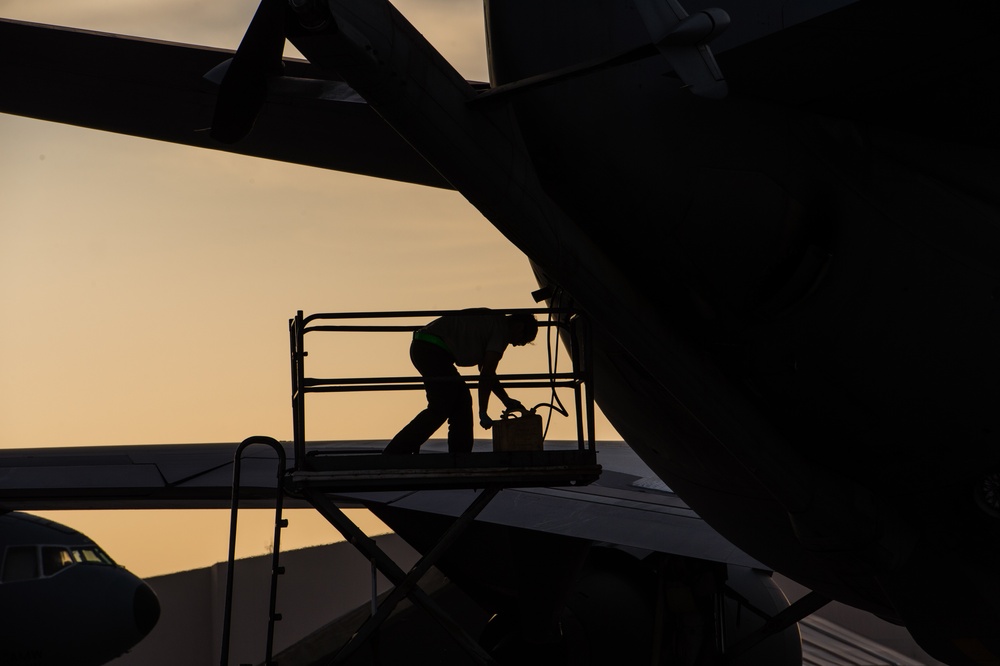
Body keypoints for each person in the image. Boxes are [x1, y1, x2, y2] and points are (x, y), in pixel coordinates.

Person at [383, 309, 539, 454]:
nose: (517, 344)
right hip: (432, 349)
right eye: (523, 340)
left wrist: (505, 399)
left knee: (460, 400)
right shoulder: (501, 331)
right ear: (519, 327)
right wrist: (483, 411)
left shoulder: (493, 323)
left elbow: (487, 372)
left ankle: (459, 455)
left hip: (428, 347)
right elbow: (486, 374)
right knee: (441, 406)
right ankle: (397, 451)